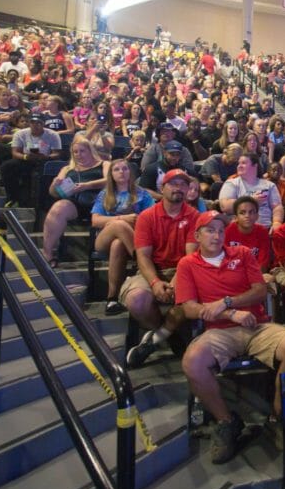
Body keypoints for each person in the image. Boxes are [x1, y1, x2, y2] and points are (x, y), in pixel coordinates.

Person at [177, 211, 285, 463]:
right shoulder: (187, 264)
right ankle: (227, 421)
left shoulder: (241, 253)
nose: (216, 235)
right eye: (210, 230)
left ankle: (277, 418)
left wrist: (226, 302)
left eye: (220, 230)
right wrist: (231, 313)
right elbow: (188, 308)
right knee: (192, 361)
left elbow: (259, 290)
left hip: (256, 324)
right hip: (218, 331)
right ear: (197, 235)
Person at [122, 168, 200, 368]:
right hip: (152, 269)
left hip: (184, 270)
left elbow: (190, 256)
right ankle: (167, 333)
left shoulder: (194, 216)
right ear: (162, 188)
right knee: (136, 300)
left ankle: (155, 340)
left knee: (191, 299)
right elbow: (143, 256)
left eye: (183, 184)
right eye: (174, 184)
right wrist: (155, 282)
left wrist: (176, 282)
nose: (179, 188)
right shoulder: (147, 216)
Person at [91, 158, 154, 314]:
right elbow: (95, 220)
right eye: (117, 169)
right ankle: (141, 259)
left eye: (124, 169)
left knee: (117, 245)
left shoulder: (142, 194)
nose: (121, 172)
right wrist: (122, 219)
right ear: (111, 174)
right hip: (103, 239)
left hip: (131, 238)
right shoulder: (105, 194)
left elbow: (153, 218)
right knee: (119, 226)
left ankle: (112, 299)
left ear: (130, 173)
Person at [41, 135, 109, 268]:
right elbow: (53, 193)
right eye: (75, 152)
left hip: (100, 202)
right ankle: (47, 254)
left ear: (90, 151)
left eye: (82, 151)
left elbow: (109, 181)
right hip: (75, 204)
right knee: (59, 207)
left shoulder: (104, 164)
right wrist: (55, 184)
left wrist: (87, 185)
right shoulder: (67, 169)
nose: (79, 155)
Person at [0, 113, 62, 207]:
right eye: (32, 122)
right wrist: (26, 157)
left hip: (44, 161)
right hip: (26, 159)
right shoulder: (20, 133)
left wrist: (46, 157)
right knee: (7, 166)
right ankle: (12, 197)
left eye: (38, 123)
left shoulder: (53, 135)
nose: (35, 125)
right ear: (29, 123)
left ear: (43, 124)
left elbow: (57, 153)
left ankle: (40, 203)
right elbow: (15, 152)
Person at [218, 153, 284, 228]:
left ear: (255, 166)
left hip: (266, 229)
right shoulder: (232, 183)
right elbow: (224, 206)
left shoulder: (269, 185)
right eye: (238, 163)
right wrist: (251, 200)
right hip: (240, 229)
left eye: (243, 163)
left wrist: (277, 222)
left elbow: (277, 207)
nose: (239, 166)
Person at [223, 196, 273, 273]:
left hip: (255, 273)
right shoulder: (228, 231)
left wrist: (255, 278)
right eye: (242, 213)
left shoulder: (262, 232)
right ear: (236, 217)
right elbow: (224, 259)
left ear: (257, 216)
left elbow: (263, 263)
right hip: (232, 272)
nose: (247, 216)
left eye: (251, 212)